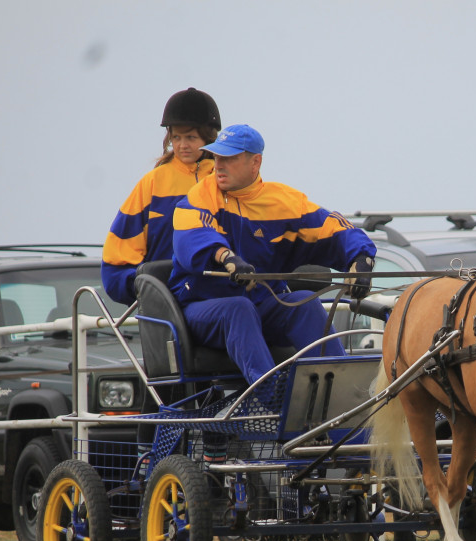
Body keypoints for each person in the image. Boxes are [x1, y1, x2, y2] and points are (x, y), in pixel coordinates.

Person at [169, 124, 377, 393]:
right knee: (237, 309)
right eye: (217, 157)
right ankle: (273, 398)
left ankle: (344, 400)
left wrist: (361, 259)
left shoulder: (285, 201)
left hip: (261, 305)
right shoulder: (200, 195)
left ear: (255, 162)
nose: (219, 165)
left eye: (229, 158)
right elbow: (192, 235)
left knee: (305, 303)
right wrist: (226, 257)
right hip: (202, 309)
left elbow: (333, 227)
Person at [102, 87, 222, 304]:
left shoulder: (224, 179)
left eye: (191, 137)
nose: (182, 145)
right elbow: (116, 262)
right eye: (176, 137)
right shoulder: (153, 183)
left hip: (218, 295)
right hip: (169, 306)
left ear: (209, 138)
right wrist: (148, 290)